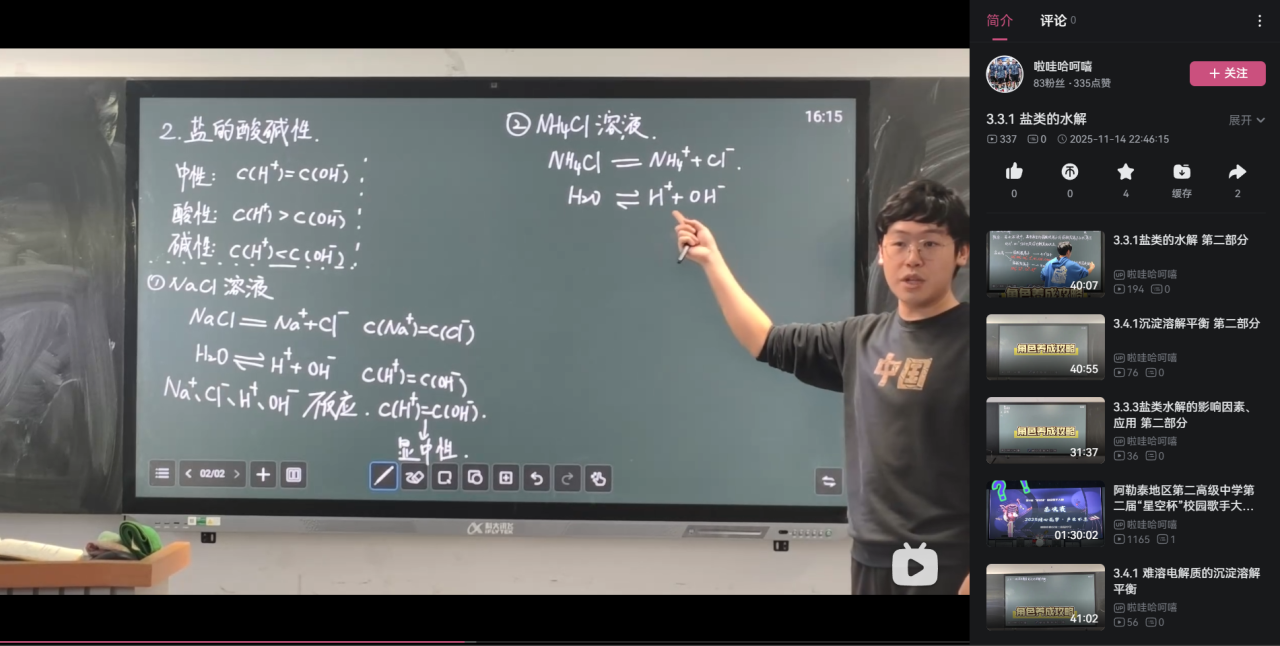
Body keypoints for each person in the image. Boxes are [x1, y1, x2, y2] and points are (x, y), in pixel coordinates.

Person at [671, 179, 971, 595]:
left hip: (952, 563)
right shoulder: (858, 338)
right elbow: (766, 341)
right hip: (871, 559)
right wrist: (712, 261)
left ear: (962, 252)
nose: (913, 258)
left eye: (930, 243)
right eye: (899, 243)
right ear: (882, 253)